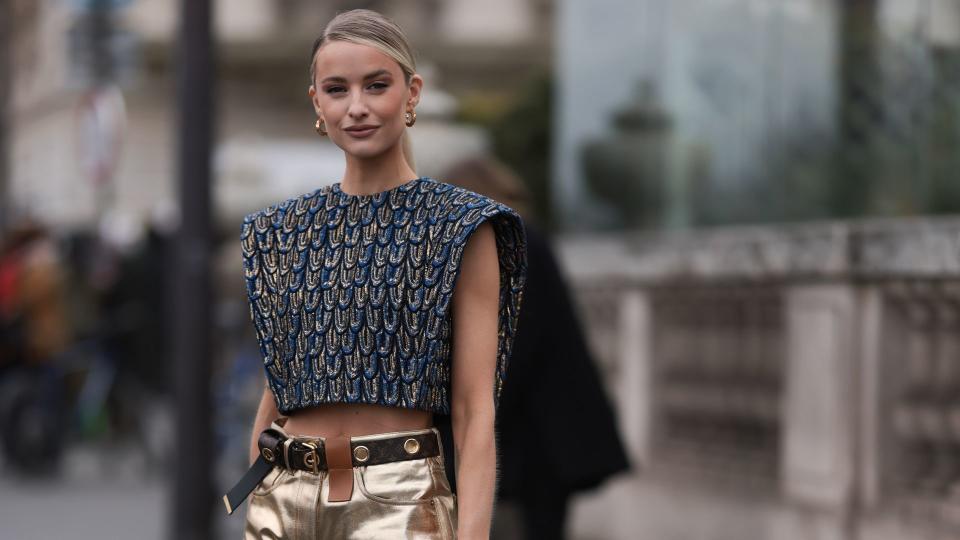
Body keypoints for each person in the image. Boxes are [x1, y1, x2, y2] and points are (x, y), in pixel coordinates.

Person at [222, 9, 528, 540]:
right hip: (283, 497)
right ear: (317, 101)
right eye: (337, 89)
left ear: (412, 94)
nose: (357, 107)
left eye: (376, 85)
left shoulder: (459, 225)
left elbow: (474, 413)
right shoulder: (279, 229)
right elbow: (277, 394)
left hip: (400, 503)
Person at [440, 157, 630, 539]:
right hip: (543, 439)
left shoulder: (509, 243)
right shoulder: (523, 239)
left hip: (533, 442)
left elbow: (513, 349)